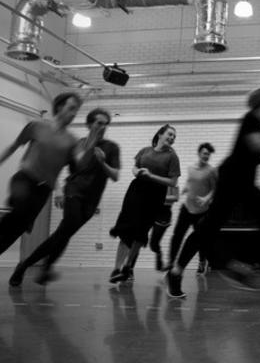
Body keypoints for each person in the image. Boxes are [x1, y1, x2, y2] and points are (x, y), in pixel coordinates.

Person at [167, 87, 260, 298]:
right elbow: (256, 146)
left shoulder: (256, 122)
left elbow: (247, 155)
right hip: (233, 181)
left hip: (241, 181)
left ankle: (245, 265)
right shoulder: (251, 119)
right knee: (211, 228)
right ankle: (239, 266)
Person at [8, 108, 120, 286]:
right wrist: (59, 190)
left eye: (106, 124)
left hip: (92, 201)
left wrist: (103, 162)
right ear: (90, 124)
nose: (103, 126)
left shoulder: (111, 147)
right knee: (66, 229)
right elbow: (55, 168)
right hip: (73, 192)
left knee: (64, 233)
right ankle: (33, 266)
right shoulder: (77, 145)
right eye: (99, 122)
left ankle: (31, 265)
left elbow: (115, 176)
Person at [0, 93, 93, 258]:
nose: (73, 114)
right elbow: (13, 147)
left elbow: (72, 166)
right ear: (59, 107)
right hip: (24, 179)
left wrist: (58, 190)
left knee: (17, 229)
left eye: (76, 111)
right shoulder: (36, 126)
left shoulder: (72, 141)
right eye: (71, 108)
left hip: (43, 190)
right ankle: (20, 212)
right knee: (20, 211)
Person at [109, 124, 180, 283]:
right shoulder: (145, 151)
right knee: (126, 228)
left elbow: (173, 182)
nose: (172, 138)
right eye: (169, 134)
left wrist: (151, 176)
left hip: (155, 194)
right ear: (160, 134)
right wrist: (138, 173)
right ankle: (116, 269)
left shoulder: (172, 156)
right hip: (136, 190)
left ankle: (128, 267)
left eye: (174, 136)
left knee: (141, 232)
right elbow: (135, 167)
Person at [168, 143, 217, 274]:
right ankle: (171, 264)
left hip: (201, 211)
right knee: (177, 236)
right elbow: (189, 183)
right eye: (205, 153)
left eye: (208, 154)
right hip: (187, 208)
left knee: (200, 239)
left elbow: (215, 189)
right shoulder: (190, 168)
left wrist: (206, 198)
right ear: (199, 153)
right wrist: (184, 190)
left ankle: (202, 262)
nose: (206, 156)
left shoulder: (211, 171)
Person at [148, 185, 179, 271]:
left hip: (164, 216)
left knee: (154, 243)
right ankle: (159, 256)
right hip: (152, 213)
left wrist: (158, 198)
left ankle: (161, 259)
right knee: (151, 244)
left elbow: (175, 198)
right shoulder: (155, 181)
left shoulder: (172, 183)